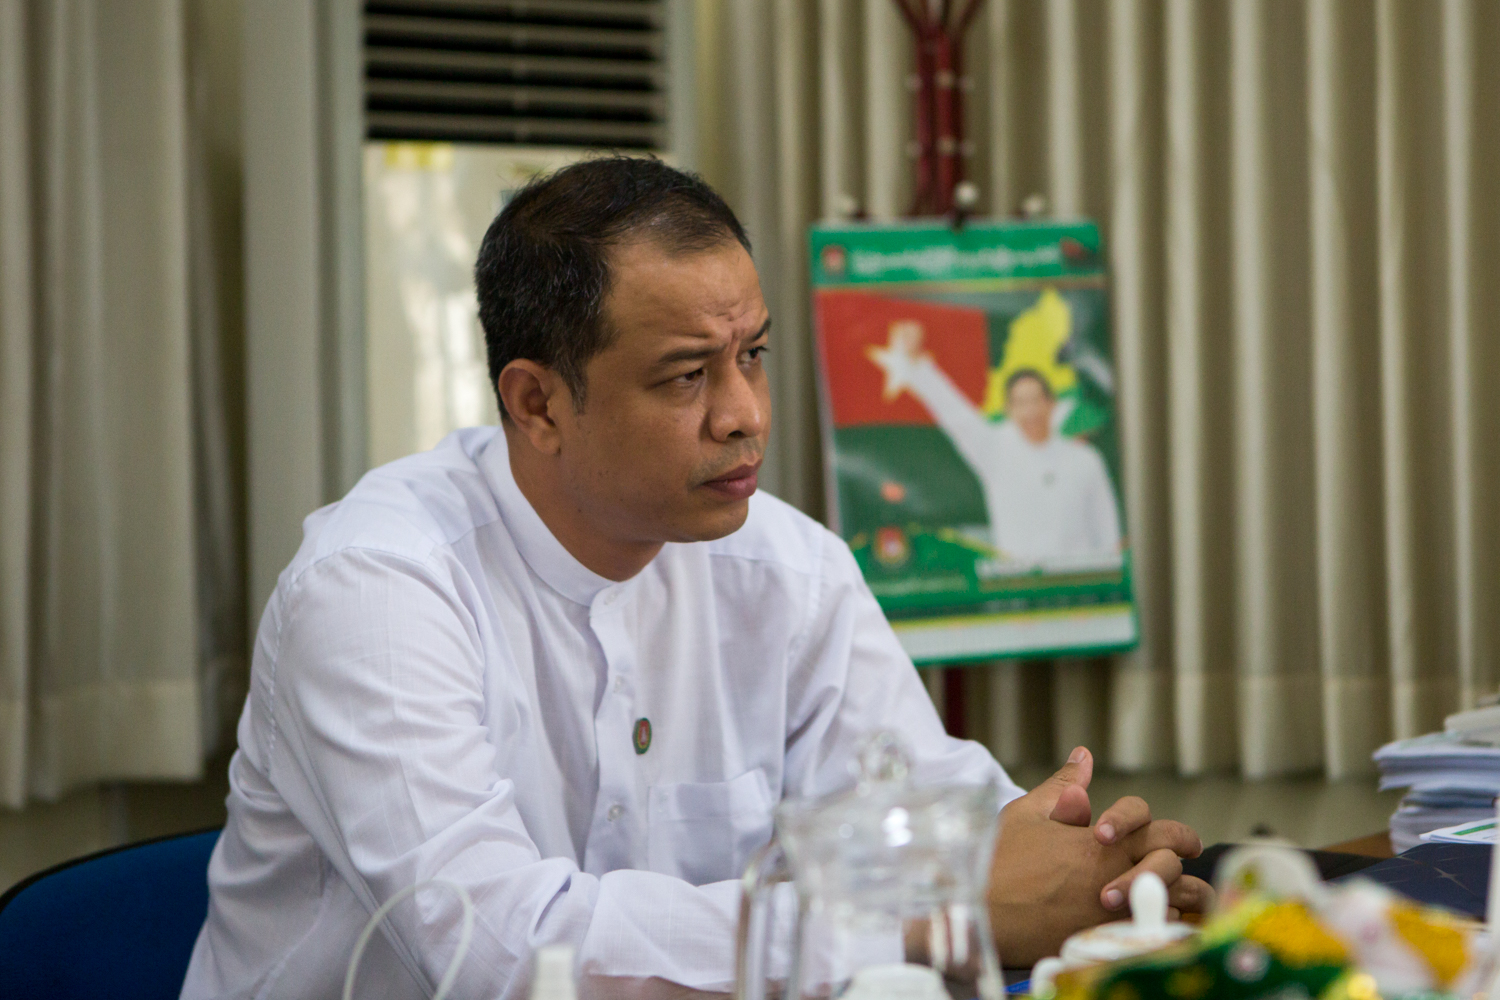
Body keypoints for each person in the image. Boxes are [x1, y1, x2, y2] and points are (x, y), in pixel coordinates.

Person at [180, 158, 1207, 1000]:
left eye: (753, 354)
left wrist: (1096, 874)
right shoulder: (377, 590)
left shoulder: (788, 568)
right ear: (537, 404)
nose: (746, 412)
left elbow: (937, 825)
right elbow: (494, 951)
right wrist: (937, 905)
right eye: (688, 375)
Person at [868, 320, 1123, 567]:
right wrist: (917, 364)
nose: (1030, 411)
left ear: (1051, 403)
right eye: (1021, 403)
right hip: (1017, 588)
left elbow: (1107, 532)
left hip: (1080, 588)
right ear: (1009, 410)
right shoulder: (996, 449)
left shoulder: (1086, 459)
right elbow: (954, 413)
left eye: (1036, 400)